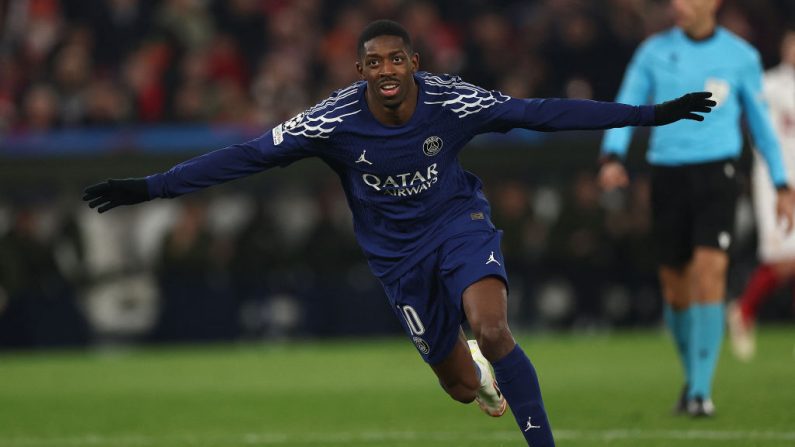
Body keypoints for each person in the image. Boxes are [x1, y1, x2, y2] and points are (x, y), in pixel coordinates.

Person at [83, 20, 715, 446]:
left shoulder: (451, 102)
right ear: (361, 70)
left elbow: (541, 113)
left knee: (494, 327)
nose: (385, 69)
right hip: (396, 261)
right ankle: (469, 364)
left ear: (413, 62)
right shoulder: (333, 120)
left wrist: (650, 115)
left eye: (395, 59)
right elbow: (246, 155)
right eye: (372, 62)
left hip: (457, 226)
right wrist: (151, 187)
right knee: (463, 390)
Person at [598, 0, 794, 418]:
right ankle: (693, 380)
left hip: (717, 174)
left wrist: (781, 183)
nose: (678, 5)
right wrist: (612, 156)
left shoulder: (741, 56)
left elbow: (761, 123)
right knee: (675, 287)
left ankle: (702, 392)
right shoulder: (652, 51)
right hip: (667, 174)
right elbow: (627, 102)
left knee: (710, 271)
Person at [728, 29, 795, 362]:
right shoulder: (769, 84)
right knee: (781, 259)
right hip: (775, 180)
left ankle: (743, 310)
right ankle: (744, 310)